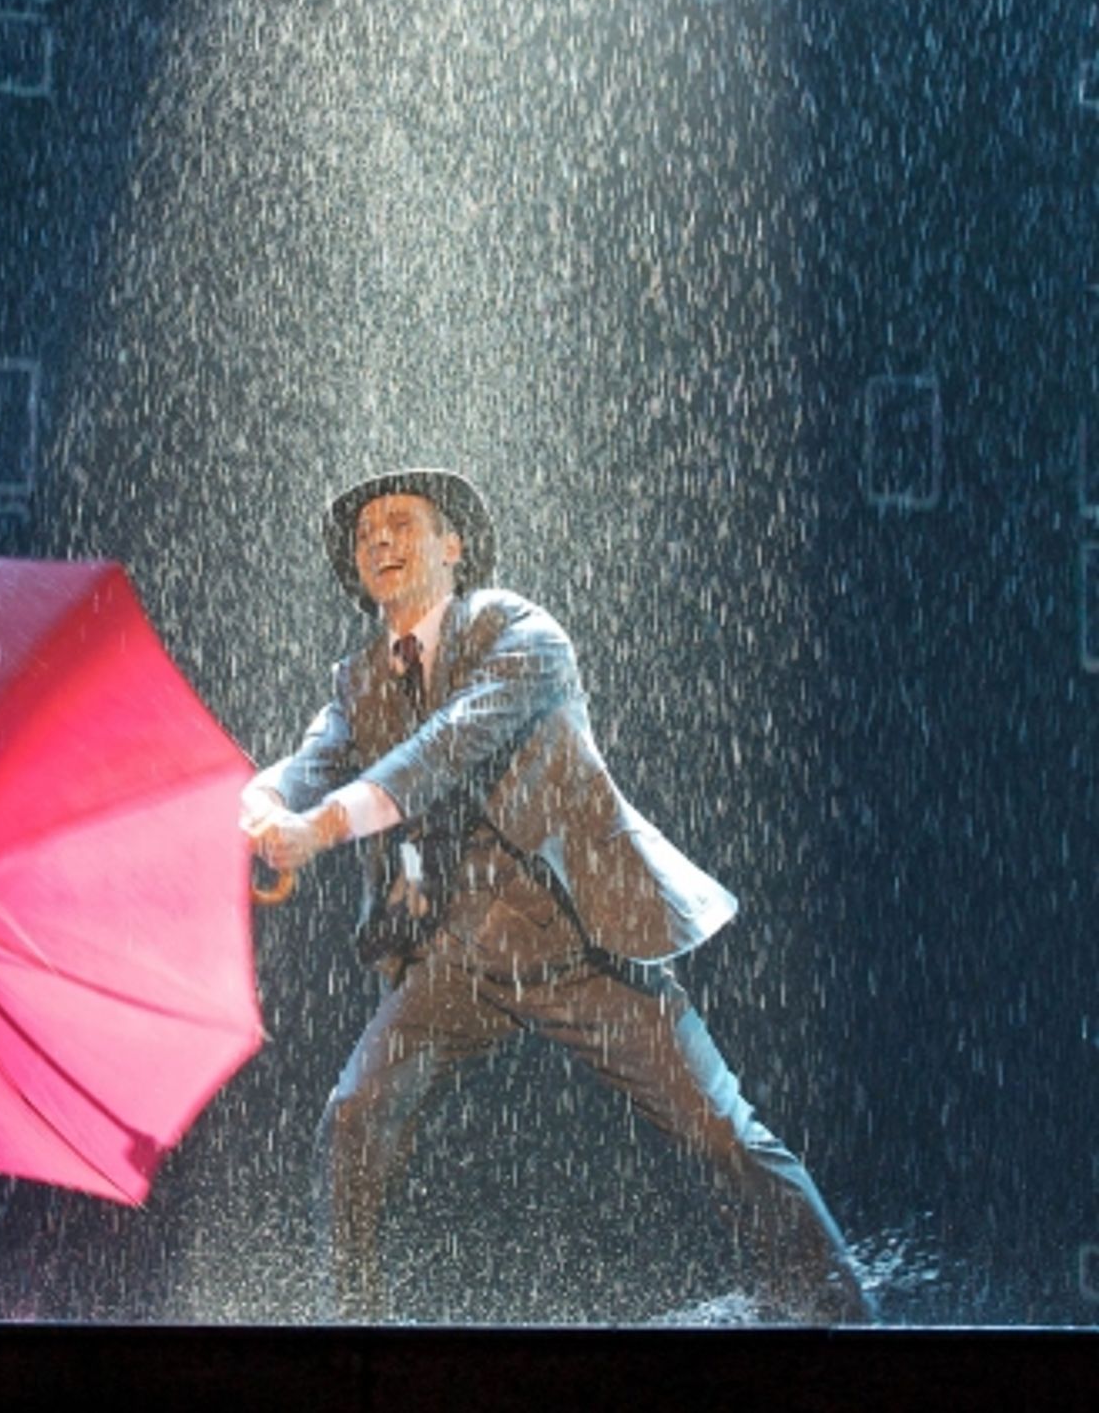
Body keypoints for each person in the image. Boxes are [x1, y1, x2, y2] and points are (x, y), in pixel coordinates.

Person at [241, 468, 875, 1324]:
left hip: (573, 941)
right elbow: (310, 761)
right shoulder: (359, 679)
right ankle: (355, 1332)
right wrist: (265, 802)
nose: (380, 542)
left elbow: (441, 750)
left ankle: (842, 1314)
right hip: (458, 957)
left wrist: (319, 828)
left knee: (722, 1131)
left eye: (401, 523)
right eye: (365, 535)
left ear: (453, 547)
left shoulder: (520, 633)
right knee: (355, 1116)